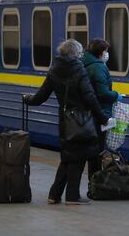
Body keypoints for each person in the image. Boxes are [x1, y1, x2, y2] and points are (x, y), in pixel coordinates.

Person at [23, 39, 111, 205]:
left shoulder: (53, 70)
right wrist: (103, 117)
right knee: (77, 156)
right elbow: (89, 97)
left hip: (64, 119)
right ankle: (72, 196)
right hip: (80, 119)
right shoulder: (79, 70)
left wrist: (27, 99)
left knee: (68, 156)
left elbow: (41, 96)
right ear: (77, 54)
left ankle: (54, 194)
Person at [82, 38, 122, 178]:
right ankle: (96, 179)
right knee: (98, 148)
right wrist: (117, 95)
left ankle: (94, 178)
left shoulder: (84, 63)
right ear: (101, 53)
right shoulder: (98, 67)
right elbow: (103, 93)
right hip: (99, 113)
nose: (107, 54)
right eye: (106, 51)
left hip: (88, 113)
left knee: (92, 147)